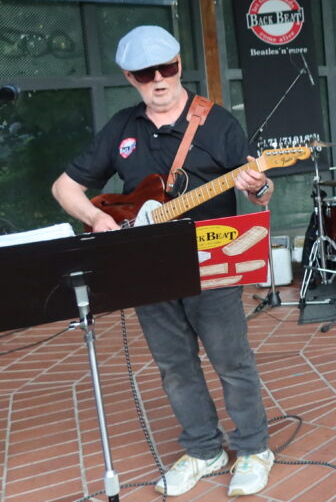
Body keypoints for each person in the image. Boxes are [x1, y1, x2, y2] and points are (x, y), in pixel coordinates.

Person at [50, 25, 275, 497]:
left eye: (166, 68)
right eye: (144, 73)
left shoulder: (217, 123)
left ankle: (254, 448)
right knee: (174, 365)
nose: (158, 79)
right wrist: (97, 218)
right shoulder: (122, 128)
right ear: (129, 78)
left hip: (212, 260)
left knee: (231, 359)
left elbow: (259, 188)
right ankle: (204, 450)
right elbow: (64, 187)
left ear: (179, 64)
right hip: (147, 266)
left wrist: (259, 185)